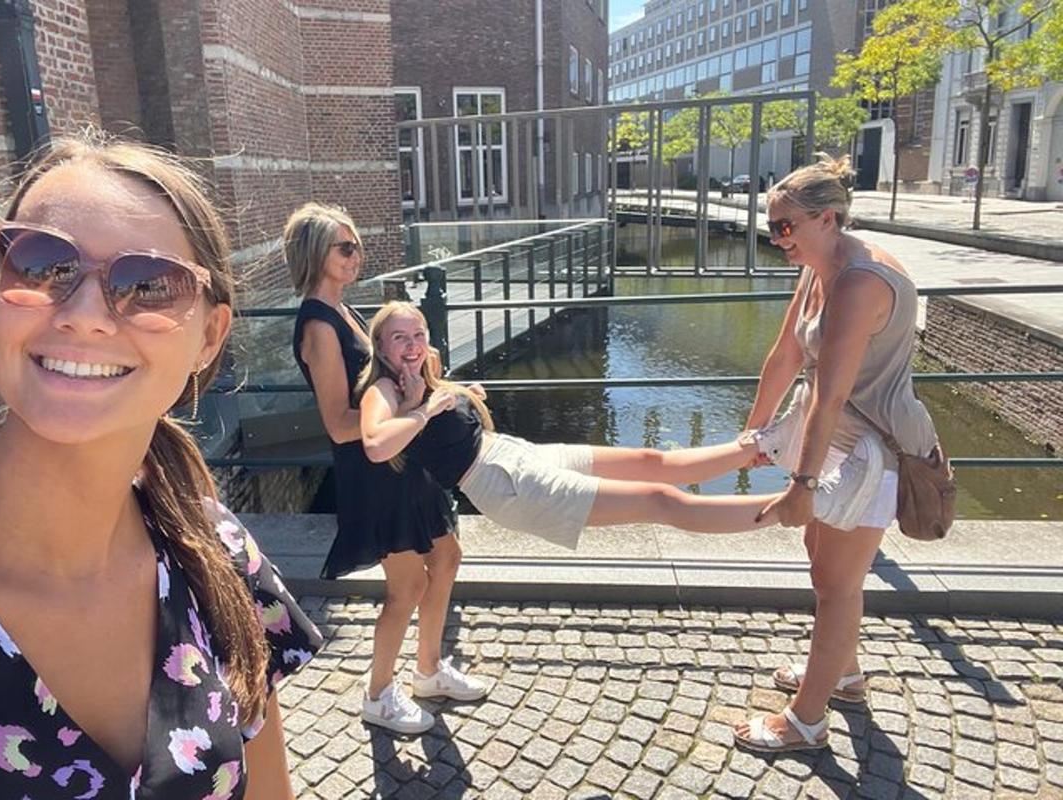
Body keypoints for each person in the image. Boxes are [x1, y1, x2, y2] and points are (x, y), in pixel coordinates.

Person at [0, 135, 322, 799]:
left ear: (211, 336)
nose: (85, 316)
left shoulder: (216, 554)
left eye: (147, 285)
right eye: (43, 266)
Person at [732, 154, 940, 752]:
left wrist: (798, 483)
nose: (778, 239)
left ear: (828, 218)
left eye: (786, 227)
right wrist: (756, 434)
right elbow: (785, 356)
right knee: (821, 556)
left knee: (836, 582)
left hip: (872, 449)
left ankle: (806, 721)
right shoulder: (819, 266)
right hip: (835, 441)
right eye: (772, 227)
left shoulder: (860, 283)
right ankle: (843, 675)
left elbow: (830, 397)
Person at [355, 302, 816, 548]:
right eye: (400, 338)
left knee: (651, 459)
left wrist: (457, 393)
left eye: (418, 334)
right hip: (502, 482)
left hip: (513, 453)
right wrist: (425, 412)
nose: (413, 345)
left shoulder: (421, 374)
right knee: (659, 501)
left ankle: (767, 442)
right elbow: (375, 446)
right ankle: (794, 505)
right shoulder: (388, 391)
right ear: (381, 345)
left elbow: (438, 407)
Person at [285, 203, 486, 737]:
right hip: (376, 468)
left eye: (356, 246)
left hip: (405, 459)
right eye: (344, 248)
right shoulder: (319, 324)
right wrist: (413, 415)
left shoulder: (344, 311)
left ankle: (428, 669)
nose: (356, 256)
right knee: (406, 586)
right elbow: (338, 423)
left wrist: (442, 395)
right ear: (315, 255)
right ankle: (378, 694)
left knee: (446, 557)